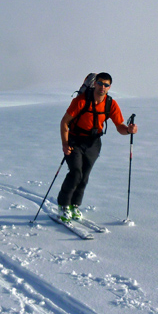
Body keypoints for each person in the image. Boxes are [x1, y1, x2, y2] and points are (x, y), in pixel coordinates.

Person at [58, 72, 137, 221]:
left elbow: (119, 126)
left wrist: (128, 130)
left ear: (109, 87)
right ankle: (63, 206)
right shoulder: (81, 101)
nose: (102, 87)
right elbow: (64, 122)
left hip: (93, 143)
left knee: (84, 175)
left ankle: (74, 205)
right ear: (95, 84)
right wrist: (65, 143)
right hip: (75, 140)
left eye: (106, 85)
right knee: (76, 173)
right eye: (100, 83)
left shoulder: (110, 104)